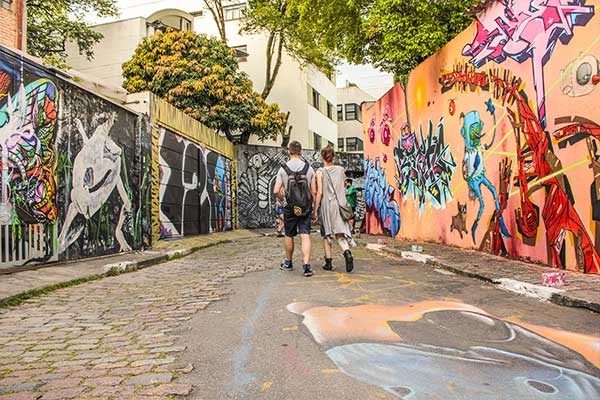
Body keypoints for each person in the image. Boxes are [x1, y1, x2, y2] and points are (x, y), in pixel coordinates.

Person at [273, 141, 315, 277]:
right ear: (301, 152)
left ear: (288, 151)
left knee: (289, 235)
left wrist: (282, 200)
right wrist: (314, 209)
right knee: (305, 235)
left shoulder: (283, 169)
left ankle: (288, 262)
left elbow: (275, 190)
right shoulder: (309, 168)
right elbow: (313, 190)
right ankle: (307, 266)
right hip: (305, 206)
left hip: (290, 207)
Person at [313, 145, 356, 272]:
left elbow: (320, 192)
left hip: (327, 205)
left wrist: (315, 209)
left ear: (322, 157)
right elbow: (342, 186)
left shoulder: (320, 172)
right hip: (339, 205)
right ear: (334, 157)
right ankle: (347, 252)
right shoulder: (341, 170)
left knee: (327, 234)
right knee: (340, 234)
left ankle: (328, 263)